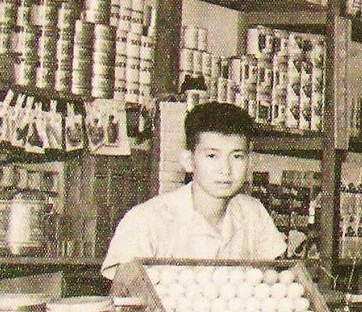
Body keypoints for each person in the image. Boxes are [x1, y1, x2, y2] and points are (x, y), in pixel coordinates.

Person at [102, 101, 285, 280]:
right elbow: (123, 299)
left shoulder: (253, 214)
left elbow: (274, 286)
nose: (226, 169)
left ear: (249, 162)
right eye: (212, 156)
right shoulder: (147, 220)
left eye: (237, 156)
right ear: (188, 161)